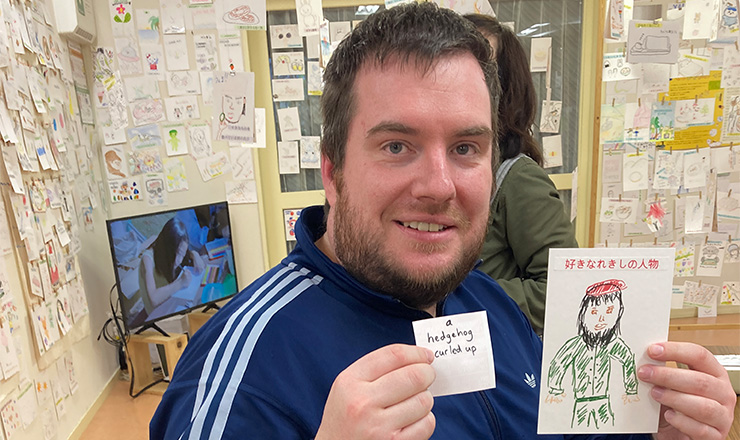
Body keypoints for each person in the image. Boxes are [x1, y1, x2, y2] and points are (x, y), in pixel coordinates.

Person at [150, 4, 736, 439]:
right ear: (331, 171)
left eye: (465, 148)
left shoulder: (487, 301)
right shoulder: (244, 370)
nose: (438, 186)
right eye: (396, 146)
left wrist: (657, 435)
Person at [464, 13, 578, 336]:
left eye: (478, 69)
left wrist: (466, 299)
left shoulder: (517, 179)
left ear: (504, 90)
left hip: (482, 349)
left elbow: (567, 288)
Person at [546, 279, 639, 428]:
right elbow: (559, 362)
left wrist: (631, 389)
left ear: (619, 312)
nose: (601, 319)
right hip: (581, 402)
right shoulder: (576, 344)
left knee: (609, 428)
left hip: (603, 401)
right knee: (578, 427)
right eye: (594, 312)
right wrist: (555, 389)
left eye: (609, 311)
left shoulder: (612, 344)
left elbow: (628, 360)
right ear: (583, 314)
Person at [139, 217, 204, 314]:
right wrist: (180, 282)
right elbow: (154, 299)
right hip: (157, 311)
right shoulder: (148, 259)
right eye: (177, 253)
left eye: (182, 255)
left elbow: (182, 250)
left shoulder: (169, 249)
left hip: (171, 297)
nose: (179, 261)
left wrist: (194, 254)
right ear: (168, 248)